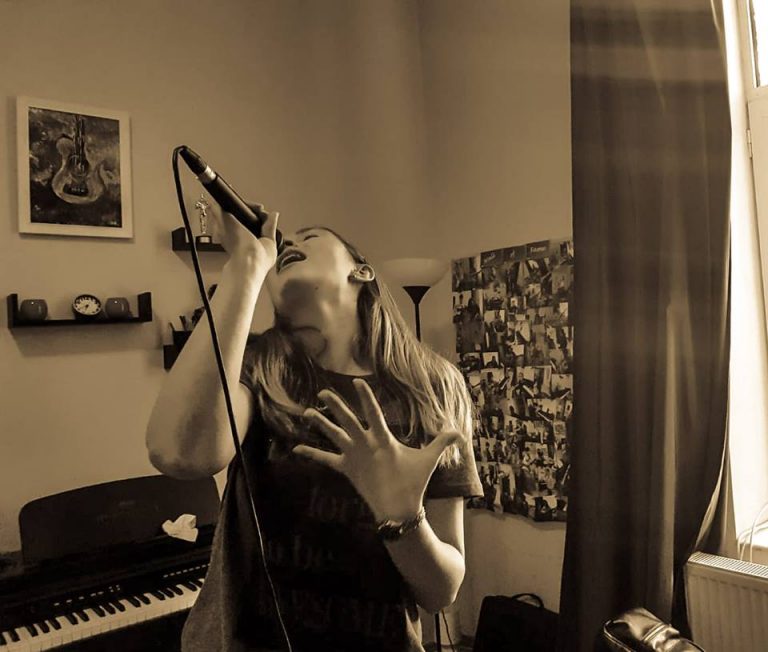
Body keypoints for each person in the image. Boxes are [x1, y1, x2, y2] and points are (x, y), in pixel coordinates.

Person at [145, 207, 483, 652]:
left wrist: (404, 520)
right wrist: (244, 268)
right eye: (286, 244)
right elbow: (180, 454)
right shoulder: (257, 366)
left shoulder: (433, 385)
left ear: (361, 272)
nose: (288, 243)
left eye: (311, 237)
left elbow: (441, 592)